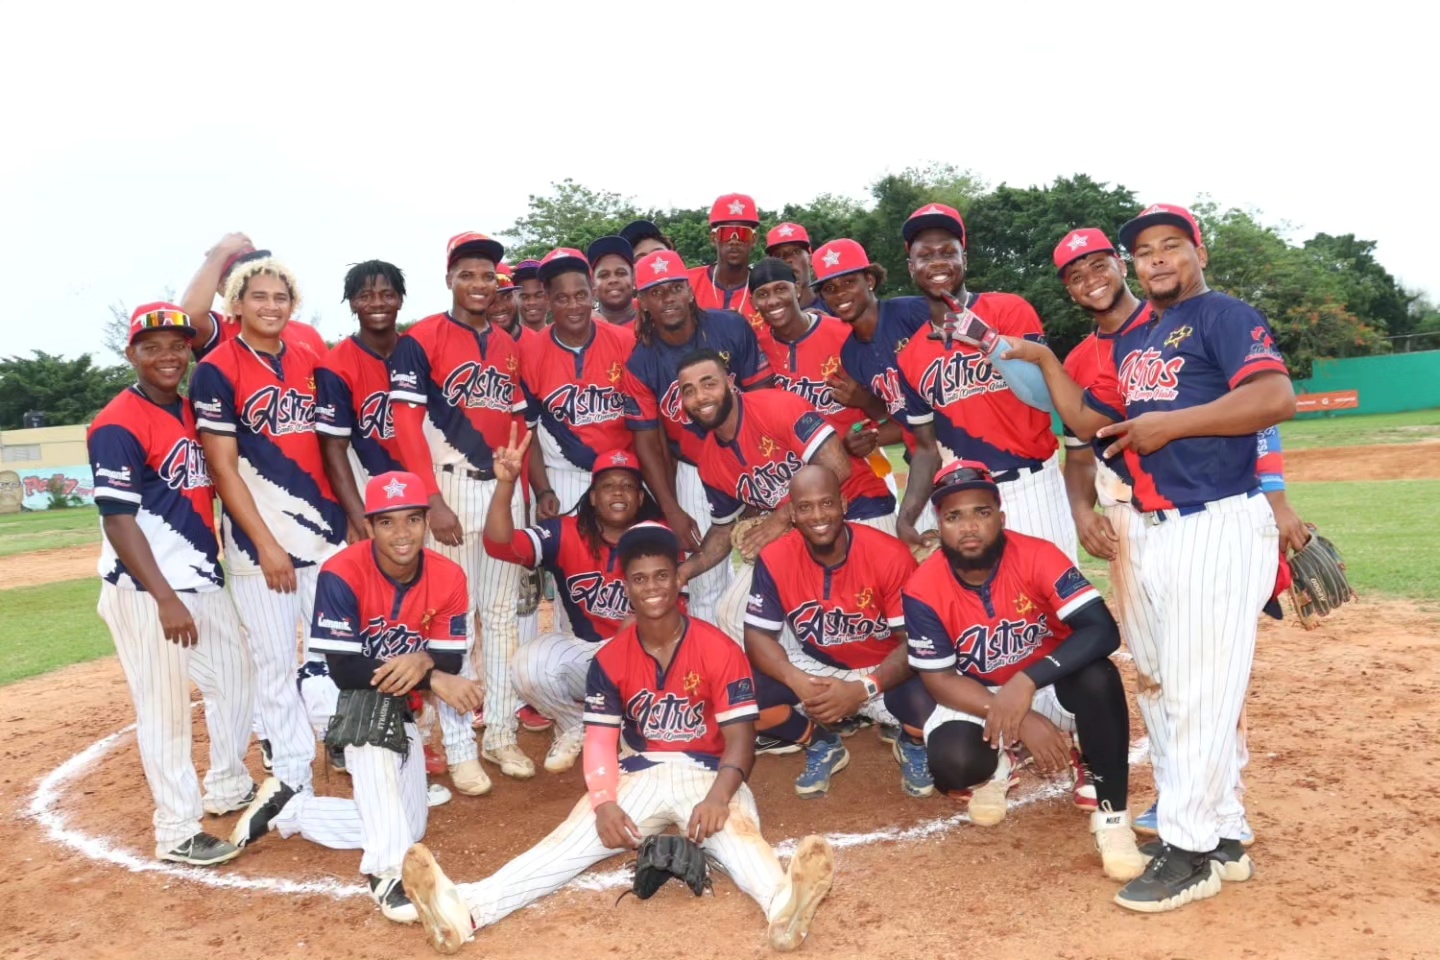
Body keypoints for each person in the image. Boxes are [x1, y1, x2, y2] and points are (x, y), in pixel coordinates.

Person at [1002, 204, 1295, 911]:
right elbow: (1092, 425)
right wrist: (1045, 361)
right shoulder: (1149, 340)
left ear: (1199, 252)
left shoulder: (1224, 315)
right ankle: (1223, 832)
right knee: (1167, 684)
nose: (1157, 258)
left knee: (1200, 692)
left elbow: (1275, 397)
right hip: (1156, 529)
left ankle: (1188, 849)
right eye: (1146, 250)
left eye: (1171, 245)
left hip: (1215, 520)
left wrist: (1173, 425)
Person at [398, 522, 837, 955]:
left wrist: (720, 798)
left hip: (708, 775)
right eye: (640, 579)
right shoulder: (609, 659)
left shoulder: (719, 648)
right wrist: (605, 801)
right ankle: (466, 912)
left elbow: (740, 739)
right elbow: (600, 741)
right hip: (638, 774)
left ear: (678, 580)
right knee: (563, 848)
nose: (652, 587)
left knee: (741, 842)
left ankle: (784, 909)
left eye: (662, 575)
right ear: (626, 586)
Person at [1052, 227, 1309, 841]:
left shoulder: (1205, 318)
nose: (1091, 279)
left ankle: (1213, 813)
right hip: (1133, 517)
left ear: (1118, 269)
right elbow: (1084, 442)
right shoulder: (1105, 352)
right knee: (1156, 671)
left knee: (1205, 676)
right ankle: (1181, 798)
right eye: (1075, 274)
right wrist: (1083, 512)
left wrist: (1276, 500)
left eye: (1099, 263)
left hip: (1206, 511)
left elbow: (1265, 412)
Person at [230, 471, 482, 922]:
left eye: (411, 520)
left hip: (397, 693)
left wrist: (425, 663)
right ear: (369, 526)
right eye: (387, 522)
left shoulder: (448, 576)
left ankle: (291, 810)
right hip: (332, 690)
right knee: (371, 723)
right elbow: (345, 670)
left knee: (410, 823)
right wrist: (430, 674)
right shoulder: (341, 571)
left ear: (426, 522)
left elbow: (449, 656)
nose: (401, 534)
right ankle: (386, 873)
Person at [903, 460, 1145, 884]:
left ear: (1001, 517)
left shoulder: (1037, 554)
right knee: (953, 766)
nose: (969, 527)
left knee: (1098, 677)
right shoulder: (922, 588)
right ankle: (1003, 757)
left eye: (981, 512)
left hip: (1049, 682)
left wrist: (1027, 682)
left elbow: (1102, 630)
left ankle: (1112, 819)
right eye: (954, 517)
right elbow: (939, 681)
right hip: (977, 694)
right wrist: (1019, 716)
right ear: (940, 526)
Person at [88, 303, 254, 866]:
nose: (167, 356)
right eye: (152, 346)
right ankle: (178, 829)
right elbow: (118, 519)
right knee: (165, 707)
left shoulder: (190, 412)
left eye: (177, 346)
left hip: (200, 578)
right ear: (131, 353)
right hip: (146, 589)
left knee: (235, 678)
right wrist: (162, 597)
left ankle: (228, 783)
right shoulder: (117, 423)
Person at [190, 256, 346, 804]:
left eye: (280, 297)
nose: (270, 306)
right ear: (236, 304)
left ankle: (351, 748)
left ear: (293, 305)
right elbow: (223, 468)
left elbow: (332, 448)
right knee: (276, 666)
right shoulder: (216, 368)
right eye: (258, 296)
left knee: (340, 655)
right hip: (261, 548)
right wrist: (265, 545)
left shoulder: (310, 359)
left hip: (324, 536)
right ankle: (295, 778)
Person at [387, 232, 533, 784]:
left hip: (501, 490)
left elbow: (517, 425)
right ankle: (458, 744)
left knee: (500, 617)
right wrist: (429, 500)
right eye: (467, 273)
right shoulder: (420, 340)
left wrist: (520, 493)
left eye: (487, 275)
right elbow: (405, 425)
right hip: (447, 488)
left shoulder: (507, 344)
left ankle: (500, 733)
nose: (478, 283)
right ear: (449, 278)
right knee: (450, 622)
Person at [888, 203, 1079, 561]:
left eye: (948, 252)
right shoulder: (910, 356)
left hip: (1030, 489)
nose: (938, 262)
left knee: (1051, 595)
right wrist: (906, 516)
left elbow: (1044, 398)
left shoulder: (1009, 309)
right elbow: (926, 450)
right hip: (960, 498)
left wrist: (987, 339)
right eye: (925, 255)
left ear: (964, 258)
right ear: (911, 266)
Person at [672, 350, 897, 645]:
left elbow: (838, 467)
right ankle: (805, 671)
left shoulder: (775, 407)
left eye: (708, 383)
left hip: (859, 507)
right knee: (733, 615)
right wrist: (683, 571)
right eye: (689, 391)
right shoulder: (710, 462)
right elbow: (723, 529)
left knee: (877, 609)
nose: (700, 397)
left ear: (729, 383)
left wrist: (781, 517)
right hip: (798, 536)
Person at [743, 465, 935, 798]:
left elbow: (914, 645)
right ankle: (819, 741)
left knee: (931, 697)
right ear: (792, 514)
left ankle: (912, 741)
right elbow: (757, 636)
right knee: (741, 692)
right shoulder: (774, 558)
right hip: (819, 669)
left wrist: (862, 689)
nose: (818, 515)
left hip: (884, 673)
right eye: (805, 507)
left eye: (827, 503)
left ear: (844, 504)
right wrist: (795, 680)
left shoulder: (888, 554)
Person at [483, 432, 662, 772]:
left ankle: (629, 729)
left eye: (628, 486)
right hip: (586, 654)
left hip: (642, 659)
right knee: (529, 665)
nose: (619, 492)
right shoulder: (565, 532)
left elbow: (671, 621)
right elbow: (500, 545)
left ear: (640, 497)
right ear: (592, 497)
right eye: (609, 486)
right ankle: (576, 724)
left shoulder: (658, 537)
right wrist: (505, 485)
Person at [621, 248, 771, 623]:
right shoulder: (641, 362)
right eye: (656, 292)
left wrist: (760, 476)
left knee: (772, 565)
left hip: (755, 459)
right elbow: (647, 442)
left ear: (690, 291)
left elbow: (763, 398)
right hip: (695, 469)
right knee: (705, 585)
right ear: (643, 303)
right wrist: (671, 508)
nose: (667, 298)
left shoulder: (731, 327)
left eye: (674, 288)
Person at [810, 239, 937, 543]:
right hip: (925, 465)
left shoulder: (913, 313)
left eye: (849, 282)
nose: (840, 294)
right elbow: (898, 418)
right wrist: (867, 427)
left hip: (968, 450)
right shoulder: (851, 355)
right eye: (830, 288)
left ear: (869, 279)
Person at [521, 247, 636, 515]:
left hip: (622, 473)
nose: (573, 306)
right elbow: (529, 432)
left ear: (593, 294)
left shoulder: (625, 342)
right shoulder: (530, 353)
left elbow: (646, 425)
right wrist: (543, 490)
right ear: (548, 299)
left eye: (581, 295)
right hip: (562, 478)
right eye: (562, 298)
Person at [316, 260, 410, 543]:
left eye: (387, 294)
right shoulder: (336, 366)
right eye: (365, 296)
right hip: (371, 493)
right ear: (353, 303)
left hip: (425, 491)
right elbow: (333, 450)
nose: (377, 303)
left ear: (400, 300)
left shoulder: (418, 352)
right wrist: (359, 516)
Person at [179, 232, 327, 360]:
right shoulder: (220, 329)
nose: (255, 277)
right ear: (221, 287)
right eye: (241, 275)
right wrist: (219, 253)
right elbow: (187, 318)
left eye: (258, 268)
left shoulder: (307, 334)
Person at [688, 193, 760, 315]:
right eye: (726, 233)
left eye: (742, 233)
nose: (734, 241)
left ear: (753, 240)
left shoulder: (765, 289)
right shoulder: (689, 283)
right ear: (713, 238)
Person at [765, 223, 823, 311]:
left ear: (810, 259)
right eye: (778, 255)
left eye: (796, 252)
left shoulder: (834, 308)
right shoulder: (765, 315)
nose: (788, 260)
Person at [587, 235, 637, 327]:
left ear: (633, 278)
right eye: (603, 275)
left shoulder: (653, 324)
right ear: (593, 284)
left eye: (621, 273)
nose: (613, 280)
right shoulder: (583, 329)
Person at [512, 259, 550, 333]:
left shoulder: (565, 338)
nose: (532, 302)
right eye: (524, 296)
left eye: (539, 295)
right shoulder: (503, 339)